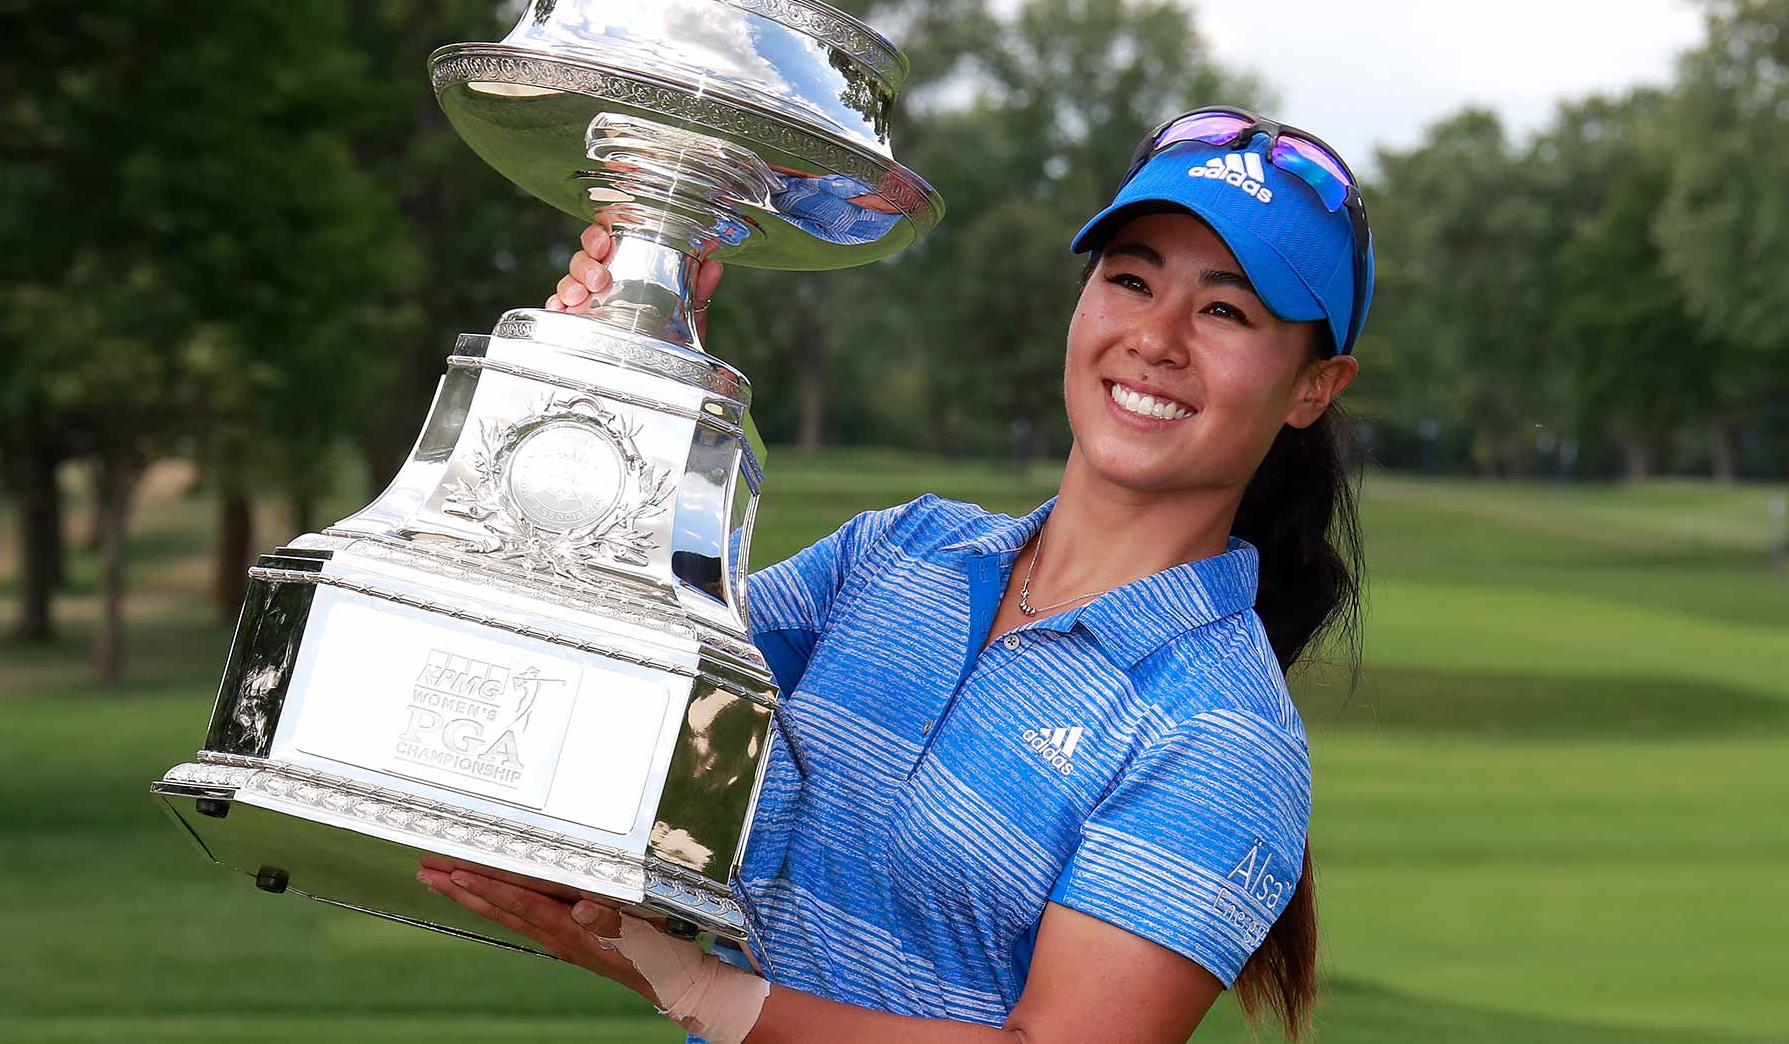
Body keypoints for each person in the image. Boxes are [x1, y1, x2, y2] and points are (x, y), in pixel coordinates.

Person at [419, 107, 1373, 1044]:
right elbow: (625, 682)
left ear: (1311, 388)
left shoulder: (1225, 733)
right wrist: (620, 379)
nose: (1157, 339)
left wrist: (707, 992)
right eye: (1131, 280)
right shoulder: (901, 553)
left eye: (1224, 309)